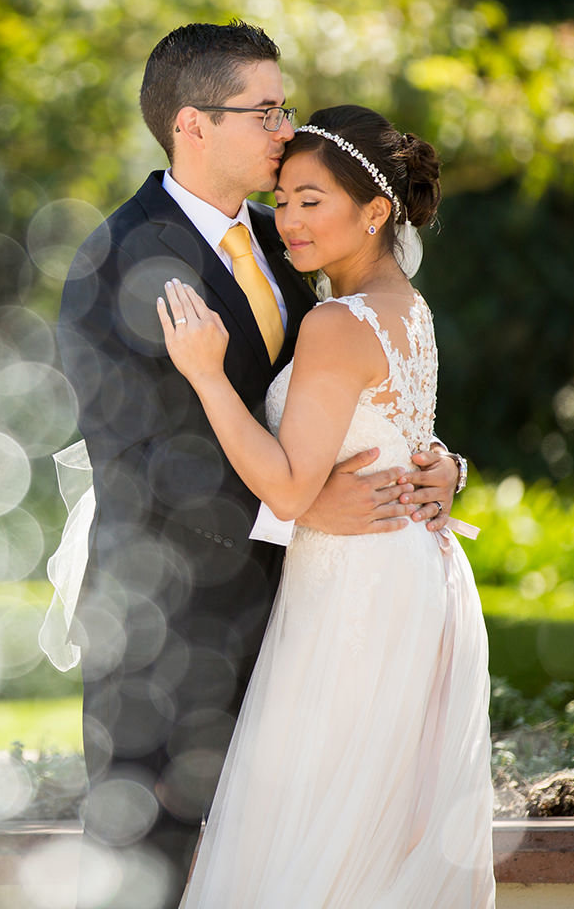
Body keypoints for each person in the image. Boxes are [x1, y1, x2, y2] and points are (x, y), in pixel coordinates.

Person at [52, 21, 465, 907]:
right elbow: (137, 456)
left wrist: (438, 465)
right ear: (193, 125)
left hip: (307, 619)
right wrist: (302, 507)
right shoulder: (113, 261)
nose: (286, 128)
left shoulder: (292, 242)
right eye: (266, 111)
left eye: (284, 107)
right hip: (170, 626)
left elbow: (357, 387)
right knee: (145, 867)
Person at [161, 104, 493, 906]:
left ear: (376, 210)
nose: (290, 220)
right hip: (413, 574)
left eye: (313, 200)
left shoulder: (337, 324)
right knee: (370, 831)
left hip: (356, 592)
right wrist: (447, 465)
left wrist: (206, 374)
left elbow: (286, 485)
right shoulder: (407, 305)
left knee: (316, 829)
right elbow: (399, 435)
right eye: (286, 199)